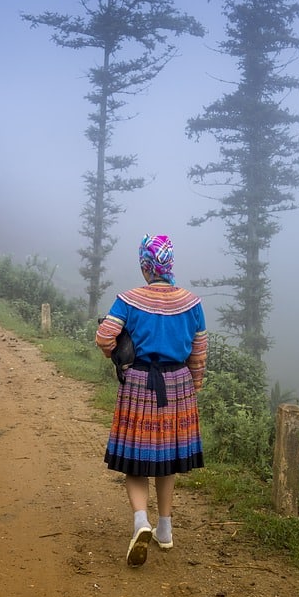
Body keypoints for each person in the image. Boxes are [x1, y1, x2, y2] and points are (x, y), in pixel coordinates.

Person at [95, 234, 207, 567]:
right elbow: (198, 353)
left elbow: (105, 336)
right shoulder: (192, 303)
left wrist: (117, 356)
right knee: (167, 459)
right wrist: (194, 386)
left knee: (136, 457)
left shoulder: (128, 300)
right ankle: (165, 529)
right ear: (169, 265)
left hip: (140, 382)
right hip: (178, 385)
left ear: (146, 266)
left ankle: (141, 521)